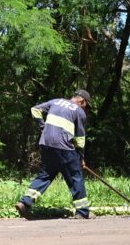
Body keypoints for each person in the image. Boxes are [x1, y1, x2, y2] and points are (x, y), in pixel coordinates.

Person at [16, 90, 92, 220]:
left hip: (46, 144)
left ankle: (25, 202)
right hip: (64, 147)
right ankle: (83, 211)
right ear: (82, 101)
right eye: (86, 106)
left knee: (45, 175)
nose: (85, 109)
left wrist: (43, 127)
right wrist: (81, 158)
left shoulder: (56, 101)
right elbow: (80, 139)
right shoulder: (79, 111)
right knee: (75, 177)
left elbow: (34, 109)